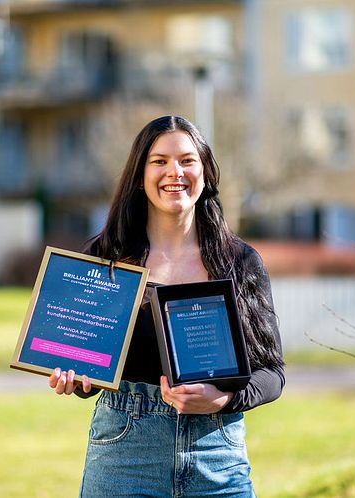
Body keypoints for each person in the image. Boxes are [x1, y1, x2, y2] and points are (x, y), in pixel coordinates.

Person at [48, 115, 285, 497]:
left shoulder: (239, 262)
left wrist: (224, 399)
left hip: (217, 456)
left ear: (205, 171)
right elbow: (88, 364)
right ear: (140, 175)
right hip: (124, 454)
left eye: (187, 160)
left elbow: (272, 373)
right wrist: (76, 380)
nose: (174, 171)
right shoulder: (106, 259)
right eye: (159, 161)